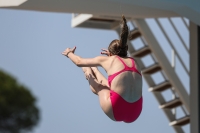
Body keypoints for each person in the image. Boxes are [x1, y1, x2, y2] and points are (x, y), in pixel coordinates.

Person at [62, 15, 143, 123]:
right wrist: (111, 55)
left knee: (100, 87)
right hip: (135, 112)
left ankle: (89, 72)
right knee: (111, 86)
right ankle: (94, 70)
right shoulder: (135, 62)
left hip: (116, 109)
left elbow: (78, 62)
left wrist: (69, 53)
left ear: (110, 53)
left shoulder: (109, 60)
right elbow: (118, 79)